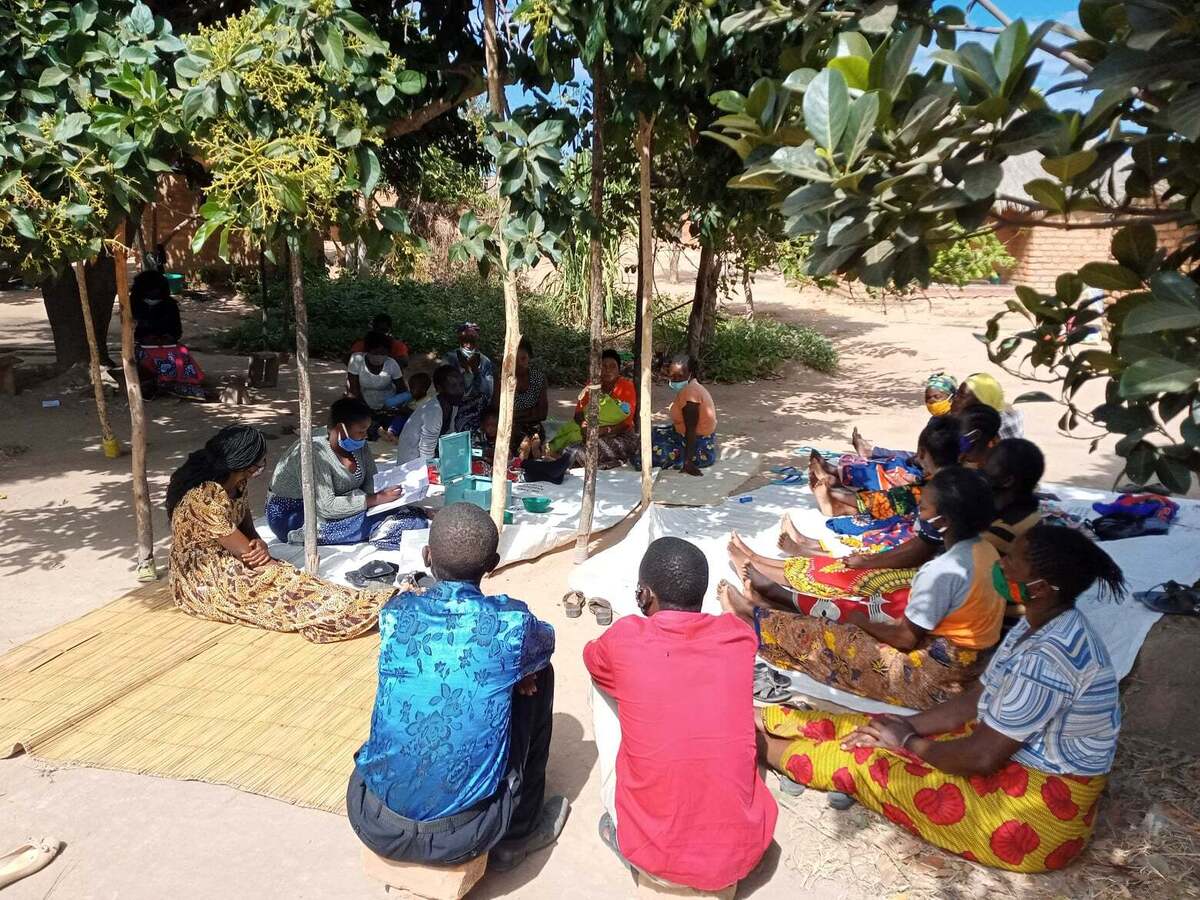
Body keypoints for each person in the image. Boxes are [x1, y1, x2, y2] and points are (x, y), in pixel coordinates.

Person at [757, 524, 1124, 873]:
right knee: (872, 727)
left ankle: (757, 742)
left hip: (1036, 817)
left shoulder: (1048, 659)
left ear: (1039, 587)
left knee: (864, 764)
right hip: (1008, 757)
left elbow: (981, 757)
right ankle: (759, 718)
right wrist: (901, 727)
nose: (1001, 563)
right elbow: (974, 700)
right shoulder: (1037, 625)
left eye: (1012, 560)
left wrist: (906, 742)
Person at [347, 503, 568, 871]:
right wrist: (522, 669)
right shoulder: (510, 622)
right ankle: (518, 834)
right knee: (540, 674)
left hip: (373, 819)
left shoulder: (396, 613)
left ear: (426, 556)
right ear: (493, 563)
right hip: (467, 834)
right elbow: (546, 642)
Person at [721, 467, 1006, 709]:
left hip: (935, 679)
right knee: (858, 608)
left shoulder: (941, 571)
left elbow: (905, 638)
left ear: (942, 522)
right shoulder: (986, 551)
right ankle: (770, 607)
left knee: (831, 635)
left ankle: (755, 622)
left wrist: (859, 622)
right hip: (970, 668)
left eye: (924, 508)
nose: (918, 511)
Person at [584, 537, 777, 892]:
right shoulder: (737, 636)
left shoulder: (625, 637)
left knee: (602, 685)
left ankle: (620, 823)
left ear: (643, 594)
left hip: (657, 859)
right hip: (743, 854)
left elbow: (592, 658)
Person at [165, 425, 394, 643]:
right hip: (204, 575)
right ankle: (353, 608)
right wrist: (282, 571)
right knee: (280, 586)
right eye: (259, 463)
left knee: (286, 580)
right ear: (245, 464)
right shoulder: (205, 497)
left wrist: (260, 544)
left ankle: (353, 605)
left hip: (232, 554)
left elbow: (249, 533)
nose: (261, 467)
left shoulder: (237, 483)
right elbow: (248, 555)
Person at [781, 416, 963, 558]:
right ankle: (816, 536)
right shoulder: (950, 479)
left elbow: (898, 503)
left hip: (931, 546)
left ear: (923, 453)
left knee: (884, 540)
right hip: (927, 534)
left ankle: (816, 550)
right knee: (887, 522)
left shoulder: (938, 488)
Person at [265, 398, 427, 548]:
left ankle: (381, 526)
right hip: (295, 513)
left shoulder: (357, 443)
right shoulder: (314, 451)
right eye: (361, 432)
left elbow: (371, 483)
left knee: (408, 516)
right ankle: (378, 529)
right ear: (339, 429)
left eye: (366, 431)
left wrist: (389, 498)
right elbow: (326, 507)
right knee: (403, 520)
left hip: (339, 503)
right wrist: (376, 499)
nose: (365, 437)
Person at [813, 404, 1001, 519]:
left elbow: (894, 501)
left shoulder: (942, 486)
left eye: (921, 454)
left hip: (937, 543)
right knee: (895, 476)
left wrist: (835, 494)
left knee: (892, 501)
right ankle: (838, 495)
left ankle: (839, 499)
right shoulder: (964, 469)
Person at [547, 349, 638, 468]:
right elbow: (578, 413)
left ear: (618, 370)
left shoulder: (626, 387)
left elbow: (626, 423)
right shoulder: (592, 385)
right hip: (590, 433)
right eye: (604, 366)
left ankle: (566, 461)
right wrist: (584, 425)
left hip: (620, 435)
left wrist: (603, 431)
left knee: (580, 453)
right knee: (568, 447)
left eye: (612, 366)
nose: (608, 370)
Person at [131, 269, 207, 400]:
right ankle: (152, 383)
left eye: (156, 291)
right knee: (144, 357)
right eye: (150, 290)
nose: (153, 294)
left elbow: (177, 331)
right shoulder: (133, 303)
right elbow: (131, 331)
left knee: (182, 353)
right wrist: (144, 337)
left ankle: (181, 382)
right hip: (142, 345)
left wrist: (168, 337)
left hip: (167, 344)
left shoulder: (170, 305)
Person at [636, 354, 717, 476]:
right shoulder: (690, 387)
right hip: (685, 436)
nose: (675, 380)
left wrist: (688, 462)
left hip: (698, 446)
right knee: (652, 433)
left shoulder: (691, 393)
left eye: (680, 376)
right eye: (672, 376)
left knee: (647, 457)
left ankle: (688, 459)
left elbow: (691, 430)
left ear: (690, 373)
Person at [850, 372, 958, 461]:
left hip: (943, 469)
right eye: (928, 398)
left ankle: (870, 453)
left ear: (951, 398)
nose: (932, 401)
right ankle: (871, 452)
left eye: (937, 397)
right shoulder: (935, 420)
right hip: (928, 462)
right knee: (902, 457)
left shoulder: (958, 422)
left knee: (894, 464)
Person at [396, 364, 465, 465]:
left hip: (427, 453)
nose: (459, 390)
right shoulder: (434, 410)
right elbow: (426, 449)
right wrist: (430, 469)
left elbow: (449, 433)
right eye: (453, 386)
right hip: (411, 459)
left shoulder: (453, 404)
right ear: (439, 388)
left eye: (461, 384)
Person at [347, 331, 408, 441]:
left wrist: (393, 404)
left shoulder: (391, 364)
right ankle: (377, 429)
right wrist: (366, 410)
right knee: (356, 423)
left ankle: (385, 430)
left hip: (388, 405)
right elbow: (354, 390)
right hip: (364, 403)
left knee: (400, 423)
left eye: (383, 353)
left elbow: (403, 391)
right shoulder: (356, 360)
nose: (379, 356)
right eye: (376, 353)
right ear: (368, 350)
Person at [443, 322, 495, 435]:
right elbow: (445, 387)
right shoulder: (450, 358)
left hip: (478, 410)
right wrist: (465, 371)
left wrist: (476, 371)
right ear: (459, 338)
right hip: (454, 408)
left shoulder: (485, 361)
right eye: (465, 338)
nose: (468, 343)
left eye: (472, 339)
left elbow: (489, 392)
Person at [498, 337, 549, 450]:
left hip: (532, 428)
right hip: (508, 429)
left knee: (534, 445)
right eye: (515, 360)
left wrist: (515, 416)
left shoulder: (538, 378)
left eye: (523, 358)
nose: (519, 363)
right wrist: (529, 413)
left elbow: (542, 414)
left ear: (529, 358)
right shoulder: (503, 379)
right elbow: (498, 411)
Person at [953, 372, 1024, 440]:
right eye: (957, 393)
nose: (955, 399)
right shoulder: (995, 410)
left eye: (962, 396)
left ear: (981, 403)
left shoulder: (994, 429)